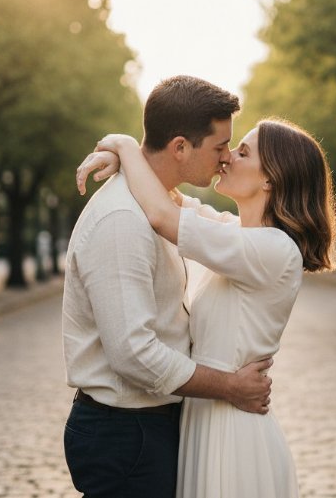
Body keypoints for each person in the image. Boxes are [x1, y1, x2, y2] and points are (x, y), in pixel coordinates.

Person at [76, 117, 336, 498]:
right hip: (205, 419)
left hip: (232, 430)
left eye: (243, 152)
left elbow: (162, 215)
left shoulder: (272, 249)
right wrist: (132, 158)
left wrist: (123, 145)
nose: (227, 158)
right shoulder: (236, 234)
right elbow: (172, 199)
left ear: (271, 178)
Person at [61, 75, 275, 498]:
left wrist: (124, 148)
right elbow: (133, 354)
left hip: (145, 427)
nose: (226, 157)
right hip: (125, 433)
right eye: (219, 146)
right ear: (180, 147)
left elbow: (216, 227)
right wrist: (230, 386)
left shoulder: (162, 202)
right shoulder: (122, 220)